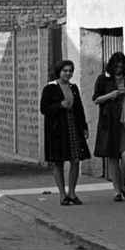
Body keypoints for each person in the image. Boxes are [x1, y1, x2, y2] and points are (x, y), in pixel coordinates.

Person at [91, 50, 125, 201]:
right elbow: (96, 99)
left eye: (122, 66)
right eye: (117, 66)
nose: (119, 69)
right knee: (113, 156)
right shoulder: (103, 79)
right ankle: (117, 191)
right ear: (112, 66)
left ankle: (122, 183)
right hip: (109, 122)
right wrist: (111, 95)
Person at [40, 58, 90, 205]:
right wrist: (59, 105)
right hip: (57, 128)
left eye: (70, 71)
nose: (68, 73)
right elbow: (44, 109)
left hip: (73, 125)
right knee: (58, 162)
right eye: (65, 71)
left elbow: (79, 108)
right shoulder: (50, 88)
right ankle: (62, 194)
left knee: (75, 160)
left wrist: (84, 127)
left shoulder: (73, 88)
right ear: (59, 72)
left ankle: (72, 193)